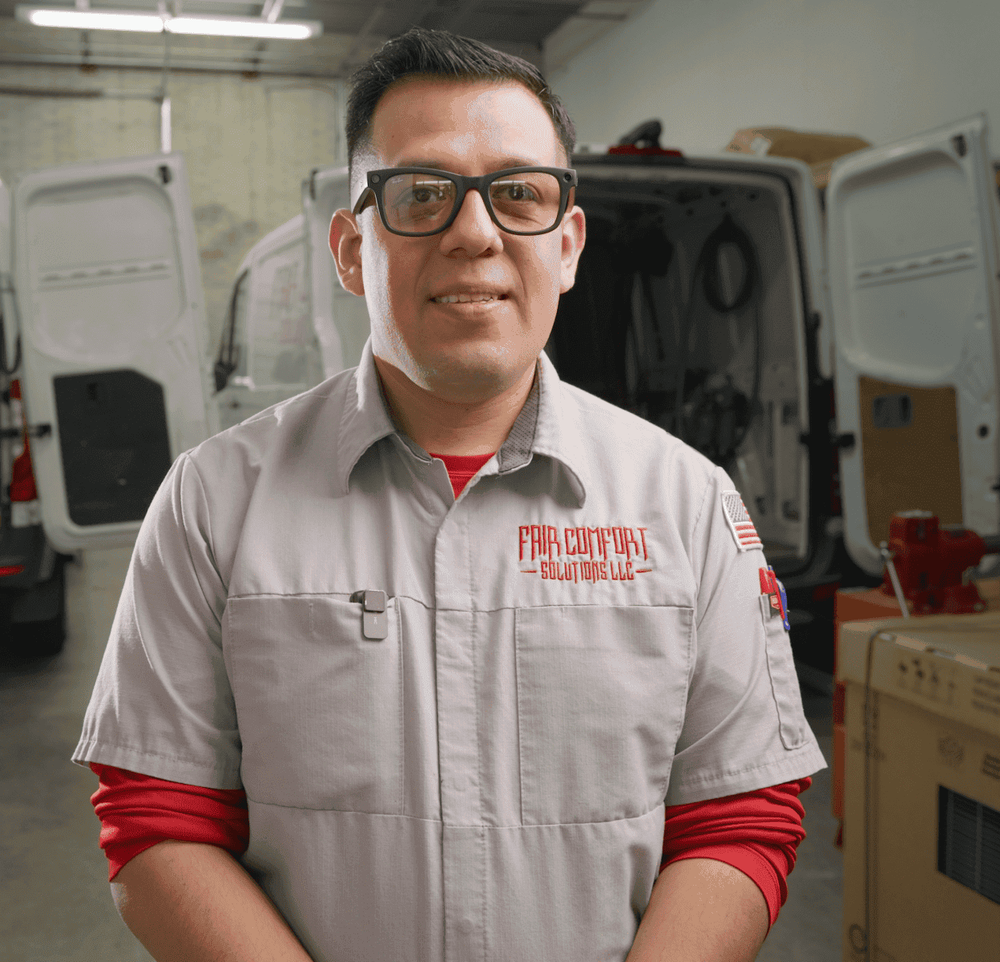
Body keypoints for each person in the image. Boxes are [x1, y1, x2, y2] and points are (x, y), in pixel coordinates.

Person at [74, 26, 827, 962]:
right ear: (351, 250)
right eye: (422, 194)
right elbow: (160, 813)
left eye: (518, 194)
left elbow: (740, 811)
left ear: (568, 245)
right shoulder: (213, 502)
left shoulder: (688, 505)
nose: (475, 233)